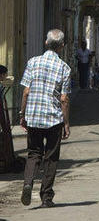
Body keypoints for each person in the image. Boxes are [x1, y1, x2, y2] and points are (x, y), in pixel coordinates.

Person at [19, 29, 71, 208]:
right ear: (62, 46)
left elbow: (26, 91)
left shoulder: (33, 62)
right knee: (51, 157)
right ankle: (46, 197)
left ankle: (27, 183)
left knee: (33, 154)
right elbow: (63, 99)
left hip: (33, 116)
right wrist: (66, 123)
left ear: (46, 43)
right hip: (53, 119)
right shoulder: (64, 68)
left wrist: (22, 114)